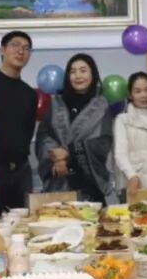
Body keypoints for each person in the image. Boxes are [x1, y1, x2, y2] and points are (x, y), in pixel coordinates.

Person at [35, 53, 117, 203]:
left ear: (93, 74)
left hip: (89, 184)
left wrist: (68, 153)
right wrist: (56, 159)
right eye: (73, 72)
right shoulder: (56, 103)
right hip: (59, 180)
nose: (78, 76)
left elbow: (103, 142)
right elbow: (44, 135)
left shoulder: (101, 106)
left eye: (83, 70)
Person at [0, 31, 38, 212]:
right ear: (2, 50)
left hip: (21, 170)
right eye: (15, 45)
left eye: (26, 48)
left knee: (22, 221)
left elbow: (28, 130)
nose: (21, 51)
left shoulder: (29, 93)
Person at [113, 72, 147, 198]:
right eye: (137, 91)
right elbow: (120, 154)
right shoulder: (123, 120)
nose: (143, 95)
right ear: (130, 95)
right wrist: (132, 176)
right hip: (134, 186)